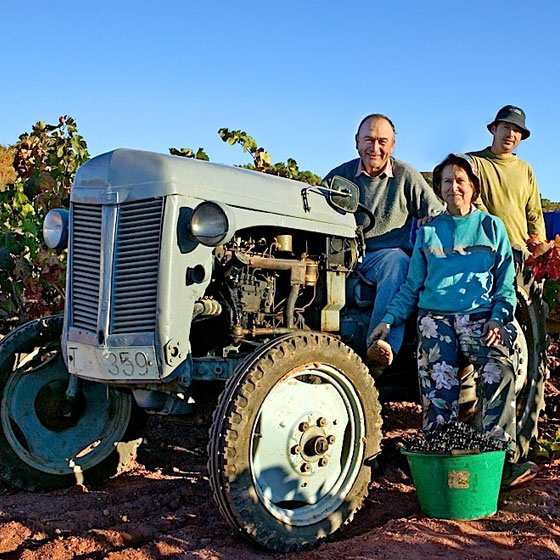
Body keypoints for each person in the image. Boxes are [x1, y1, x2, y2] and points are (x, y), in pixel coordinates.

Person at [371, 153, 537, 486]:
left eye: (460, 181)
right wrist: (388, 320)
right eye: (447, 181)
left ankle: (500, 463)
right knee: (437, 390)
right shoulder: (430, 230)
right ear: (439, 188)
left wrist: (497, 319)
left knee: (499, 371)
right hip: (436, 320)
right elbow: (411, 286)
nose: (453, 187)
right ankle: (439, 466)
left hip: (480, 319)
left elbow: (505, 285)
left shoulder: (492, 227)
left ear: (473, 187)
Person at [323, 114, 443, 370]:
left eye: (382, 141)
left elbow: (435, 212)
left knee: (397, 260)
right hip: (342, 257)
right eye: (368, 140)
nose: (374, 148)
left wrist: (428, 223)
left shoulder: (405, 176)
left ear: (392, 144)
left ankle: (379, 345)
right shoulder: (338, 178)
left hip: (382, 258)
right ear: (357, 142)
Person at [468, 105, 546, 252]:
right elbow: (473, 203)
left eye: (517, 130)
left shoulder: (525, 169)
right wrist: (500, 236)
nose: (511, 134)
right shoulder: (472, 162)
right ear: (494, 129)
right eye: (506, 127)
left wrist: (539, 248)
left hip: (520, 252)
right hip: (482, 251)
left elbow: (534, 212)